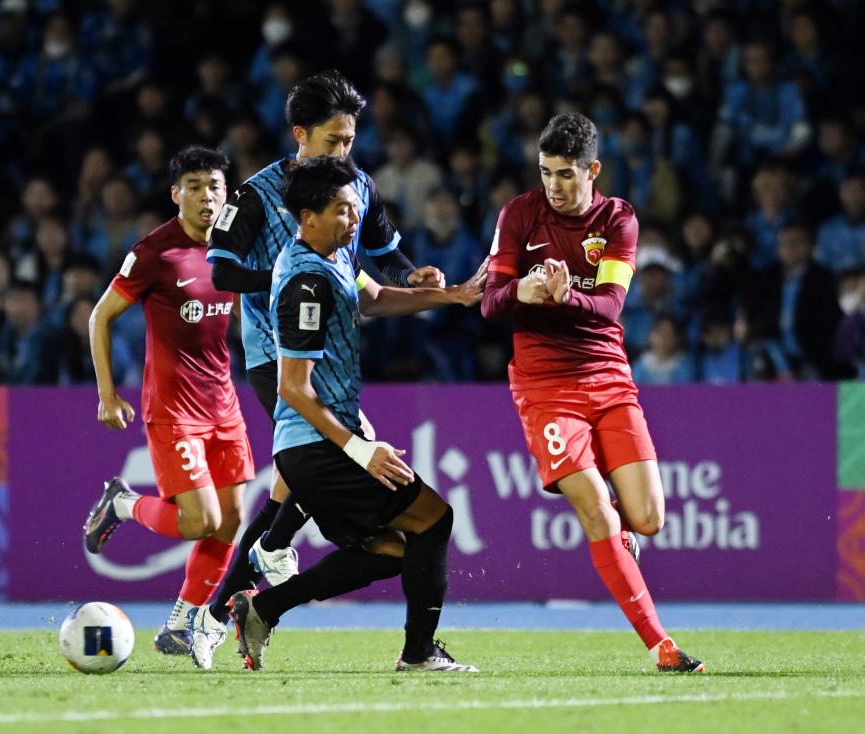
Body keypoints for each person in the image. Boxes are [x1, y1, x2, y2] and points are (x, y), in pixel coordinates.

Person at [196, 70, 444, 670]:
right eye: (333, 141)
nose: (344, 152)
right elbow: (222, 271)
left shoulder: (358, 187)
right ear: (299, 135)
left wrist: (411, 274)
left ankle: (236, 596)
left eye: (350, 140)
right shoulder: (255, 195)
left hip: (332, 357)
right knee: (320, 466)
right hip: (275, 356)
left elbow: (383, 253)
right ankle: (238, 593)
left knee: (301, 492)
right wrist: (296, 273)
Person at [229, 155, 481, 672]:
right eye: (342, 210)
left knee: (391, 551)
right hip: (318, 446)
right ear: (308, 217)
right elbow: (293, 388)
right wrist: (361, 450)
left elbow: (377, 298)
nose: (354, 219)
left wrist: (451, 296)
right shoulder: (306, 282)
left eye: (354, 208)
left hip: (317, 446)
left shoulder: (335, 256)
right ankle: (418, 653)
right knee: (434, 519)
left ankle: (263, 609)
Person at [481, 112, 705, 673]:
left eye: (565, 174)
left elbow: (609, 306)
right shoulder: (519, 214)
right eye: (545, 172)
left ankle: (625, 533)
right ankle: (660, 645)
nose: (553, 186)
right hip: (545, 385)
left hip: (607, 376)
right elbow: (489, 303)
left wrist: (563, 297)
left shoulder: (619, 220)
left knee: (647, 519)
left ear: (592, 170)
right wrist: (521, 291)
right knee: (595, 509)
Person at [82, 145, 255, 658]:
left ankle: (180, 624)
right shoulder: (155, 252)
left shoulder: (232, 247)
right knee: (199, 521)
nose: (207, 197)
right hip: (174, 411)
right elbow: (100, 317)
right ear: (176, 194)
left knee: (231, 520)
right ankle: (122, 503)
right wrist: (107, 394)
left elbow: (242, 316)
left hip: (224, 405)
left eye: (215, 187)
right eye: (195, 187)